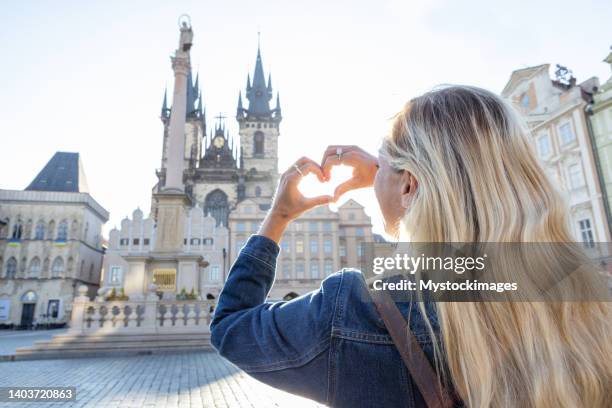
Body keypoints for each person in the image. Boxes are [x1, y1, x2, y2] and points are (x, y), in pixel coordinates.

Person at [209, 85, 612, 408]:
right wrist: (394, 176)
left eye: (381, 165)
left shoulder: (352, 309)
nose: (375, 170)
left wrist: (276, 219)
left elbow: (230, 326)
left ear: (409, 185)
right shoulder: (577, 295)